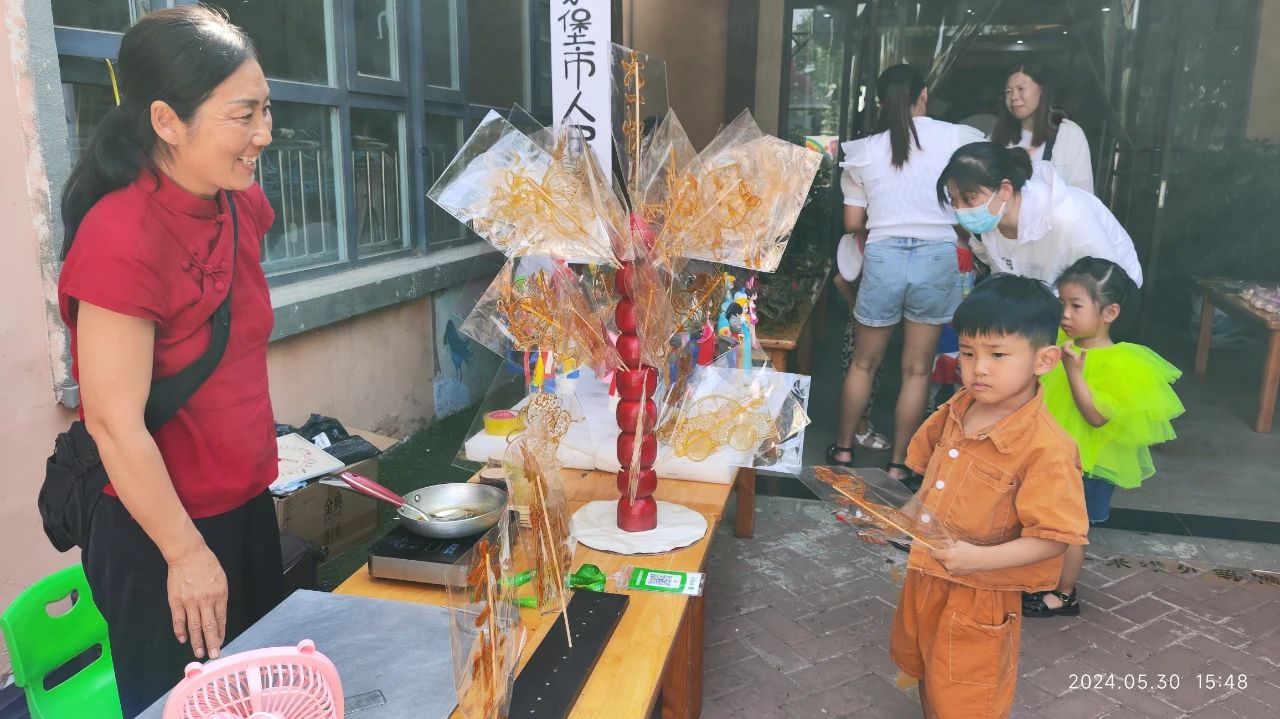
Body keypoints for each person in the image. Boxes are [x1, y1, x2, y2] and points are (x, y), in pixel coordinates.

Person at [56, 7, 281, 715]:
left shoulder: (240, 204)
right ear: (166, 121)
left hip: (246, 507)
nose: (263, 134)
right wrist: (185, 556)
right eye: (242, 115)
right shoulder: (121, 238)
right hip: (163, 536)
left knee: (269, 698)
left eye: (265, 110)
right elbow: (113, 424)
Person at [885, 275, 1088, 719]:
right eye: (968, 353)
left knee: (966, 698)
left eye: (998, 355)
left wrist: (977, 559)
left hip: (978, 594)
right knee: (928, 672)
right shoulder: (958, 408)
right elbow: (932, 477)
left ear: (1044, 359)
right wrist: (897, 518)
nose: (978, 368)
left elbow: (1054, 538)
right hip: (928, 575)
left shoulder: (1046, 449)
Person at [829, 64, 984, 480]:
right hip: (937, 255)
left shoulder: (864, 151)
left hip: (883, 254)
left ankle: (842, 452)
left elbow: (851, 223)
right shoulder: (958, 138)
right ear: (924, 94)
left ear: (882, 102)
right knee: (917, 369)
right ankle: (899, 465)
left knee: (864, 363)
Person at [1024, 258, 1184, 618]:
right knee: (1043, 521)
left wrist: (1074, 372)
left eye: (1076, 306)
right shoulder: (1060, 344)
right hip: (1049, 453)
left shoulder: (1121, 362)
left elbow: (1095, 417)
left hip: (1088, 462)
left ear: (1110, 312)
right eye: (1061, 303)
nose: (1065, 314)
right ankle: (1041, 578)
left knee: (1069, 530)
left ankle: (1064, 594)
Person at [937, 142, 1143, 290]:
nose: (960, 209)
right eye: (953, 200)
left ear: (1005, 189)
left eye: (969, 198)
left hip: (1101, 303)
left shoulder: (1068, 217)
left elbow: (1105, 283)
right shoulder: (986, 225)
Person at [990, 62, 1094, 193]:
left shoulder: (1069, 134)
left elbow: (1082, 194)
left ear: (1042, 90)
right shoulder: (998, 136)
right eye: (1008, 91)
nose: (1014, 97)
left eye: (1021, 89)